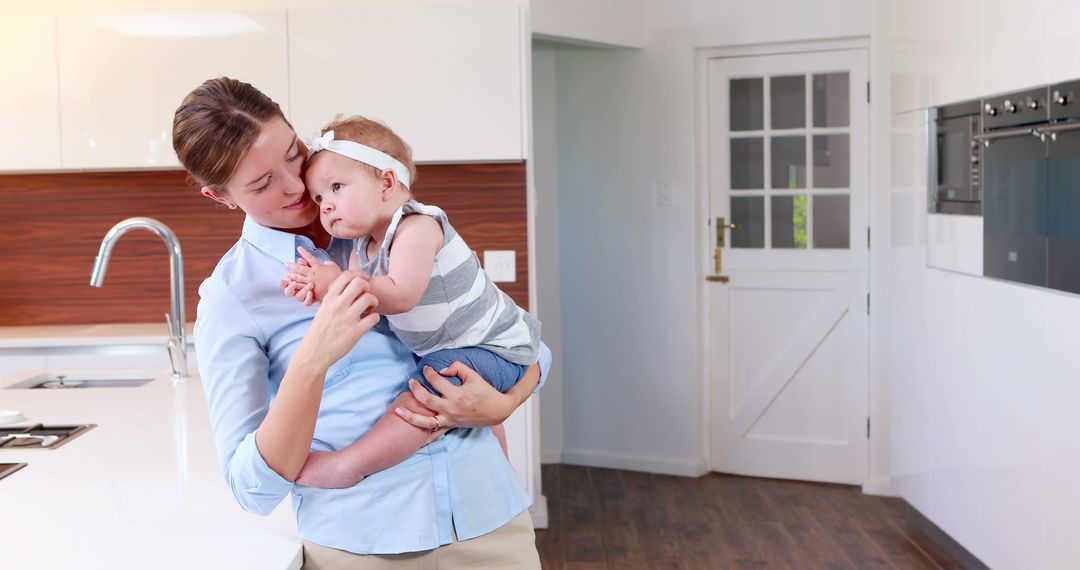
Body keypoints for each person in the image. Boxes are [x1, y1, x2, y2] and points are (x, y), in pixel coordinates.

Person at [172, 76, 549, 568]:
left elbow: (526, 346)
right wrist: (313, 358)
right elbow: (251, 488)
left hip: (491, 522)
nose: (294, 188)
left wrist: (500, 405)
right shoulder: (232, 296)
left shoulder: (386, 225)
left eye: (292, 154)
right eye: (262, 183)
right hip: (366, 546)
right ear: (219, 197)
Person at [279, 115, 541, 489]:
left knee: (432, 385)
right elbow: (362, 305)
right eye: (319, 197)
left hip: (493, 346)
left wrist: (335, 282)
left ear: (387, 182)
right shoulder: (362, 247)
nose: (326, 206)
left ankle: (351, 465)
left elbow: (400, 295)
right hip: (461, 347)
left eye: (337, 187)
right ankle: (500, 475)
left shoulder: (417, 226)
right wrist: (316, 287)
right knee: (464, 398)